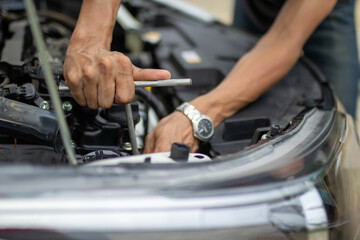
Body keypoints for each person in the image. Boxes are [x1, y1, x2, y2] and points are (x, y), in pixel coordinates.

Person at [63, 0, 358, 154]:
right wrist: (91, 38)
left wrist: (196, 116)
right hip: (255, 4)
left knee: (329, 137)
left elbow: (285, 38)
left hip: (322, 14)